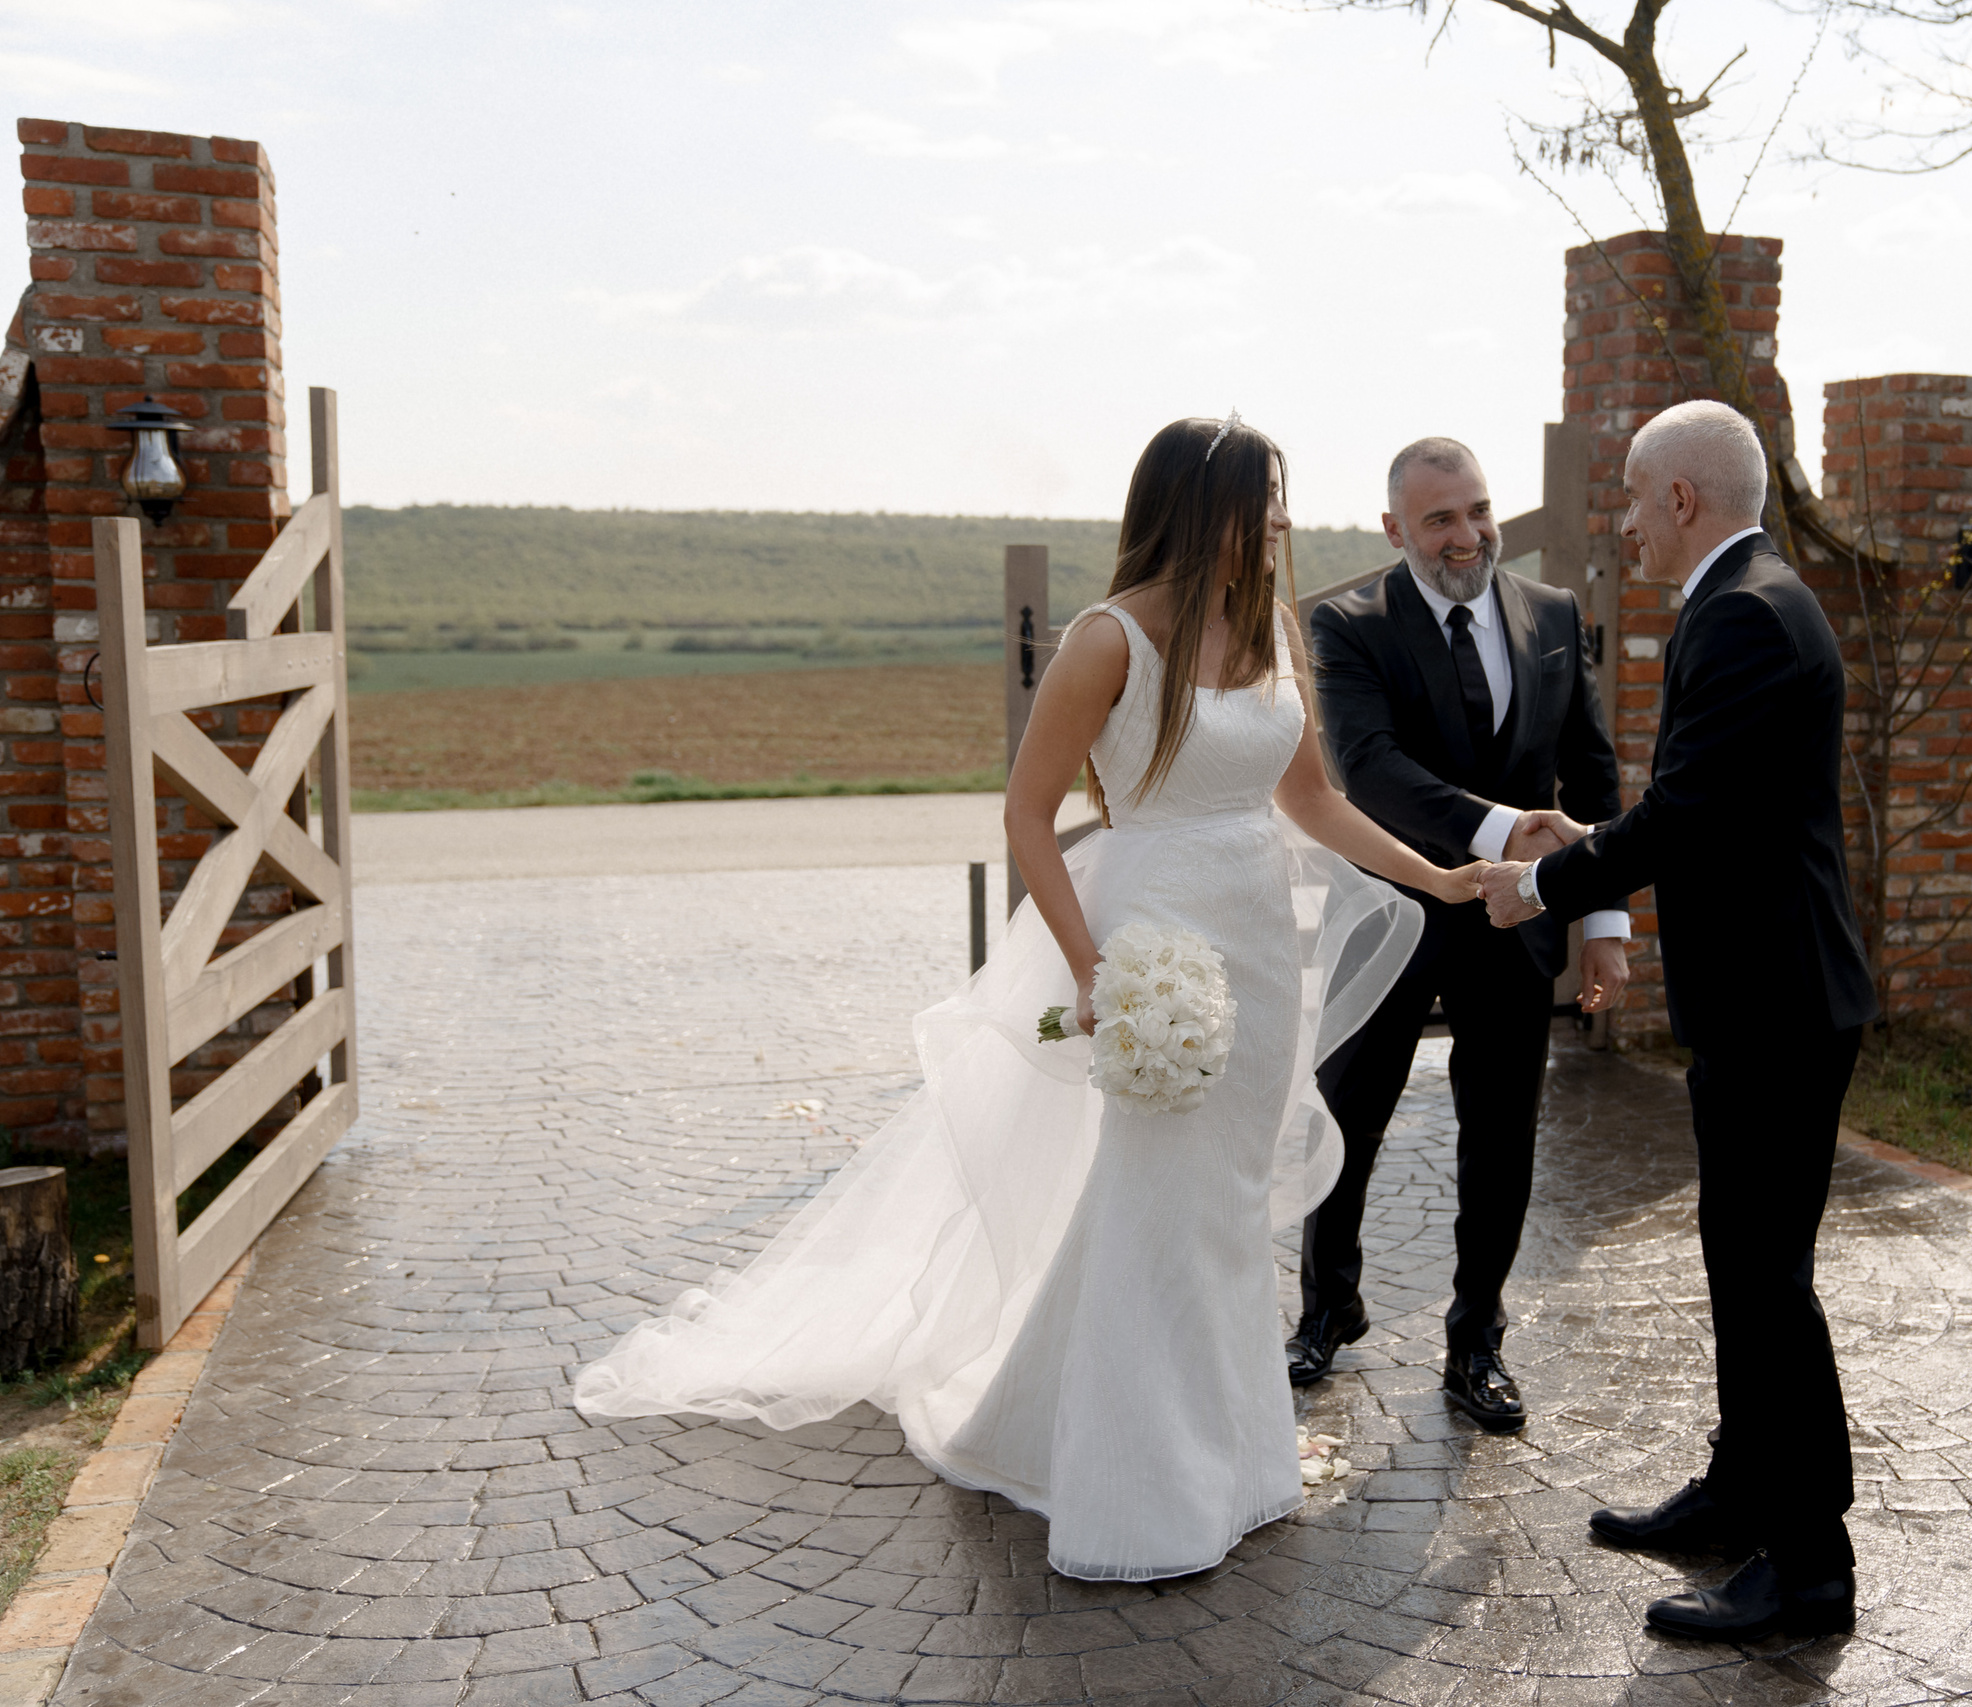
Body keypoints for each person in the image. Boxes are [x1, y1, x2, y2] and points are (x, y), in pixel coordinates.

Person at [575, 414, 1487, 1582]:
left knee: (1218, 1211)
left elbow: (1310, 800)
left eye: (1279, 502)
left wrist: (1437, 875)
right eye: (1257, 504)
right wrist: (1097, 970)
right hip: (1161, 941)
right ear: (1194, 508)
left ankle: (1233, 1462)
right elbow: (1026, 815)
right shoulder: (1108, 639)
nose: (1276, 525)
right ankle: (1137, 1491)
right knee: (1154, 1201)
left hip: (1258, 945)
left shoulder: (1267, 625)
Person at [1483, 399, 1879, 1642]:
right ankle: (1742, 1492)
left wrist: (1542, 884)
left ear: (1684, 500)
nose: (1622, 520)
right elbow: (1705, 805)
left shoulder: (1747, 616)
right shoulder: (1753, 596)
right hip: (1766, 1001)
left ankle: (1809, 1567)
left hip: (1778, 1007)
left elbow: (1689, 818)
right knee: (1741, 1263)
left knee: (1768, 1281)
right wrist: (1588, 839)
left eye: (1634, 497)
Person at [1288, 436, 1628, 1431]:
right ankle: (1326, 1307)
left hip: (1516, 922)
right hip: (1390, 906)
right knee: (1347, 1111)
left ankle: (1475, 1340)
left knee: (1501, 1136)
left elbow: (1594, 775)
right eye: (1440, 519)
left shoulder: (1556, 616)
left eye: (1477, 511)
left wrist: (1603, 922)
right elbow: (1368, 767)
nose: (1467, 535)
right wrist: (1498, 835)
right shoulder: (1348, 629)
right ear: (1395, 531)